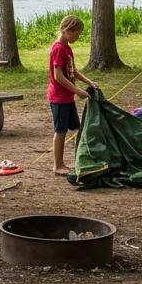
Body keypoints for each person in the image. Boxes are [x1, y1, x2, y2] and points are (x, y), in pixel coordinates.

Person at [47, 14, 98, 176]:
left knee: (76, 128)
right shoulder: (59, 49)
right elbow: (58, 76)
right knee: (60, 131)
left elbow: (73, 71)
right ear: (65, 30)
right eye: (76, 32)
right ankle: (58, 165)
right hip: (59, 98)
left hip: (68, 98)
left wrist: (89, 82)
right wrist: (78, 91)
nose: (78, 36)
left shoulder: (68, 48)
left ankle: (81, 159)